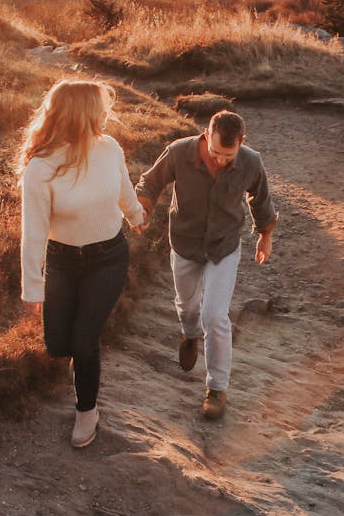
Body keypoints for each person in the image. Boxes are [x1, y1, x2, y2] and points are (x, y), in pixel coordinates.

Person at [19, 78, 145, 448]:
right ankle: (80, 361)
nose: (107, 114)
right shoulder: (41, 169)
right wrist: (33, 286)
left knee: (85, 340)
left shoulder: (109, 149)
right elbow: (34, 232)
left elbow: (124, 189)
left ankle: (87, 410)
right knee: (58, 344)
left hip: (108, 257)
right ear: (81, 113)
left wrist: (136, 215)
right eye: (101, 108)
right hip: (62, 261)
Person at [135, 109, 278, 421]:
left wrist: (265, 236)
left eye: (228, 154)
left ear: (242, 142)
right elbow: (150, 182)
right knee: (187, 307)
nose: (220, 160)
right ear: (205, 135)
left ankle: (216, 388)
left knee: (215, 316)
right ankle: (189, 335)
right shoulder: (179, 153)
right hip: (185, 244)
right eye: (215, 152)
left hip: (224, 246)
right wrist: (143, 210)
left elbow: (260, 199)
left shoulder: (251, 162)